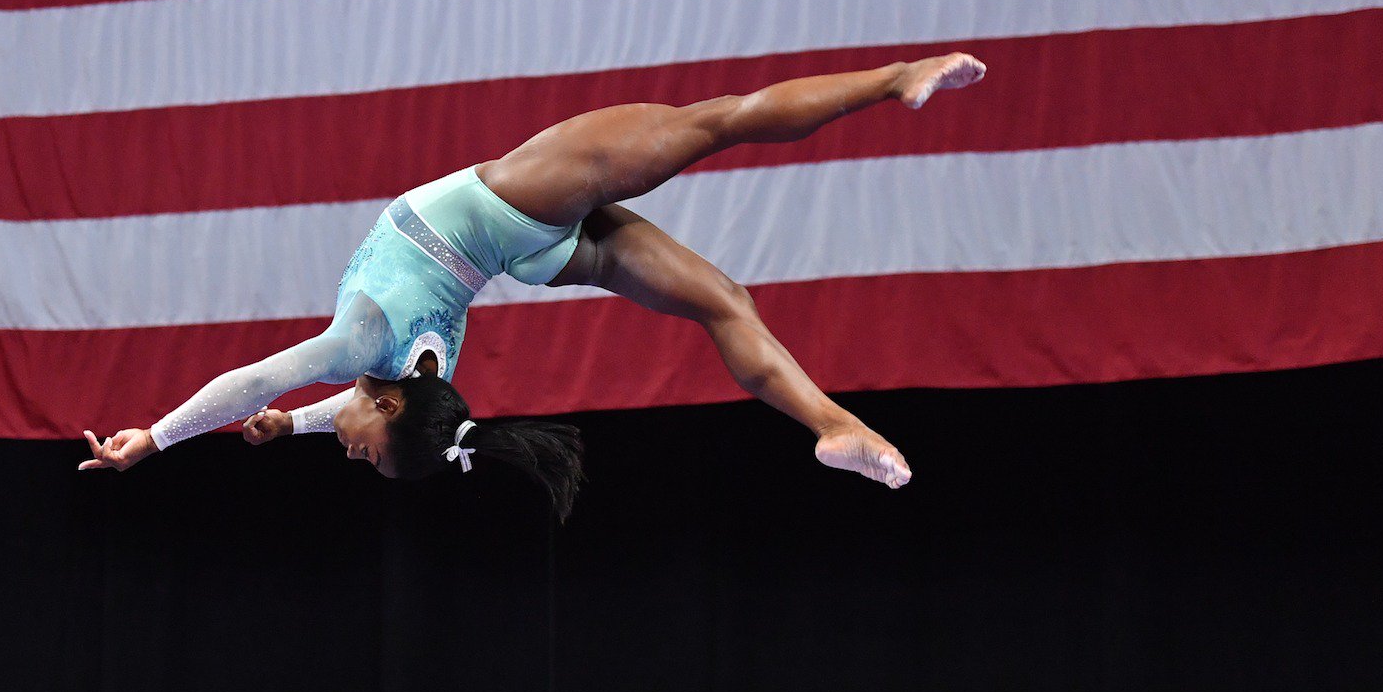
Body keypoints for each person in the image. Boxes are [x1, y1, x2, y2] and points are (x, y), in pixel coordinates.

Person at [79, 53, 988, 516]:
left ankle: (832, 423)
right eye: (358, 450)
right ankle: (893, 81)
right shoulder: (375, 360)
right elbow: (280, 390)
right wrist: (160, 441)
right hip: (515, 207)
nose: (342, 446)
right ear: (395, 410)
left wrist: (234, 430)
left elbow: (289, 397)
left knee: (721, 302)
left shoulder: (395, 368)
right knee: (715, 123)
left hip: (525, 247)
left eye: (353, 451)